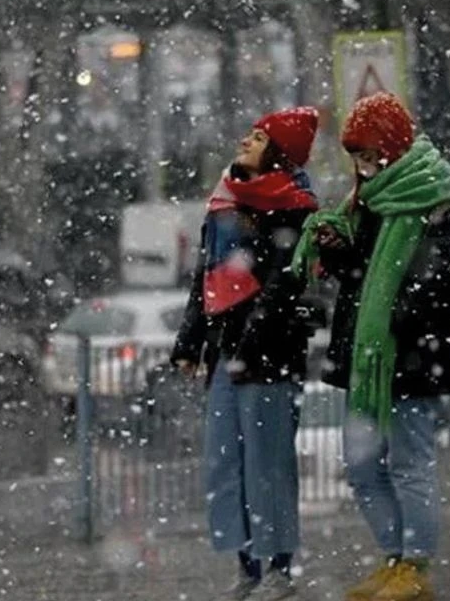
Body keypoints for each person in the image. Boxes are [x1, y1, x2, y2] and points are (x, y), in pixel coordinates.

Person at [295, 92, 450, 601]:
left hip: (409, 355)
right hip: (366, 356)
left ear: (391, 146)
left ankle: (415, 564)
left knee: (411, 463)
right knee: (362, 465)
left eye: (368, 153)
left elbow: (444, 281)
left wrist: (394, 314)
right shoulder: (368, 200)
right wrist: (339, 253)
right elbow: (361, 275)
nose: (362, 165)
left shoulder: (433, 197)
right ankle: (393, 558)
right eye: (356, 156)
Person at [171, 107, 321, 601]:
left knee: (268, 462)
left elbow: (284, 283)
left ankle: (278, 566)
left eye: (258, 138)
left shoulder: (294, 207)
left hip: (270, 356)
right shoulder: (223, 201)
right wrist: (190, 342)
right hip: (225, 353)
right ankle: (246, 565)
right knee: (224, 461)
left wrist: (252, 336)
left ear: (278, 153)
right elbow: (205, 277)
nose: (245, 141)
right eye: (249, 133)